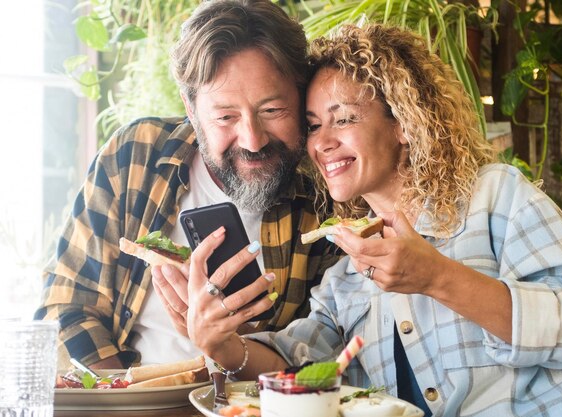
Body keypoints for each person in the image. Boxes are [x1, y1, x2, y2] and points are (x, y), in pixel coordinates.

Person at [178, 24, 562, 416]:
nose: (323, 143)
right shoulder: (346, 274)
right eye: (313, 126)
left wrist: (437, 277)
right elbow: (299, 367)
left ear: (404, 124)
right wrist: (222, 345)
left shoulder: (496, 197)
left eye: (345, 119)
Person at [34, 0, 339, 369]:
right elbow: (66, 303)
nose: (252, 140)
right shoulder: (136, 153)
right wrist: (126, 399)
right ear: (191, 109)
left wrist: (232, 345)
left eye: (272, 111)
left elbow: (325, 353)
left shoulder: (329, 193)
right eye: (226, 116)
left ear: (301, 95)